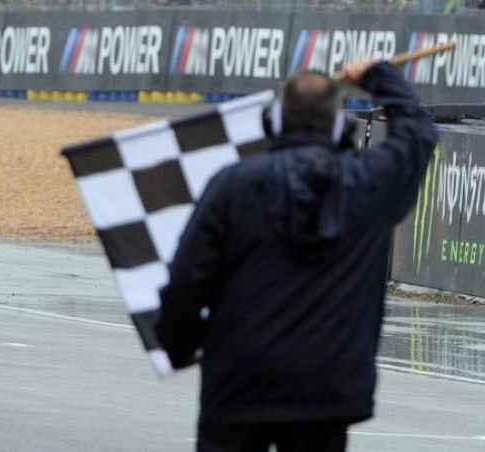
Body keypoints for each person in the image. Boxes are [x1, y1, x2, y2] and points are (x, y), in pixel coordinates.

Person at [154, 59, 437, 452]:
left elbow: (185, 280)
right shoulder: (368, 183)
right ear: (341, 127)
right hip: (325, 390)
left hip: (239, 381)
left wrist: (180, 345)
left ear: (275, 123)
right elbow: (419, 133)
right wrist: (378, 75)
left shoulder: (233, 185)